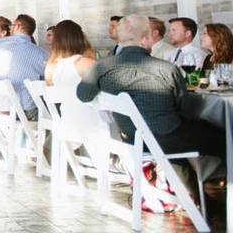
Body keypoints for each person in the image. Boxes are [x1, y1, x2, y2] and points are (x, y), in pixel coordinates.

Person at [77, 14, 225, 165]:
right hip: (167, 140)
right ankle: (213, 183)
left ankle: (193, 181)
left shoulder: (101, 67)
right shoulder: (167, 69)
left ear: (120, 39)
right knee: (223, 136)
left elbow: (83, 95)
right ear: (145, 39)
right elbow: (185, 111)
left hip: (130, 139)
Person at [0, 14, 47, 120]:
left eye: (12, 25)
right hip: (27, 110)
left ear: (17, 26)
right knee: (49, 118)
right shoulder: (42, 53)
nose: (10, 28)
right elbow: (46, 81)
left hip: (0, 109)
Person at [44, 20, 97, 136]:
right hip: (92, 124)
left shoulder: (50, 68)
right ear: (80, 38)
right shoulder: (86, 63)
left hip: (66, 124)